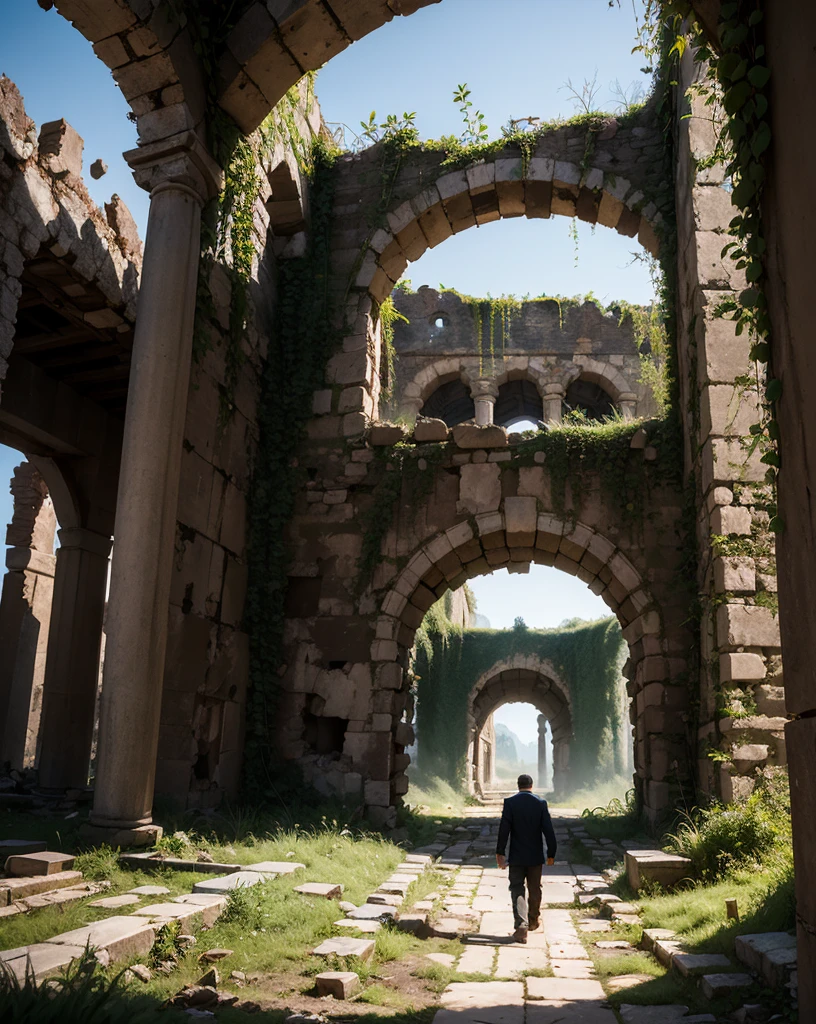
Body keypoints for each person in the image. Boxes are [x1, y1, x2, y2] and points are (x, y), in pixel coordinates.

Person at [495, 773, 557, 944]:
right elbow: (548, 831)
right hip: (536, 856)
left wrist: (500, 853)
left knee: (517, 888)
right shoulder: (540, 804)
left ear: (518, 785)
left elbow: (504, 830)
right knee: (535, 887)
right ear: (531, 785)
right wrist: (551, 853)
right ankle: (533, 919)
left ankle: (521, 925)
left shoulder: (510, 803)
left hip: (516, 856)